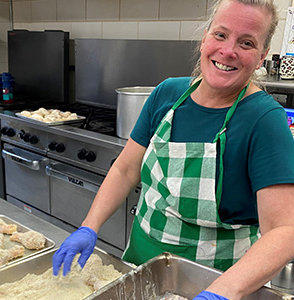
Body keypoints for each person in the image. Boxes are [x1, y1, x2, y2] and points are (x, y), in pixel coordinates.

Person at [53, 0, 294, 299]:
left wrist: (218, 293)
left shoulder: (264, 120)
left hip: (215, 281)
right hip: (141, 266)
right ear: (205, 37)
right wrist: (89, 226)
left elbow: (284, 231)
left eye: (246, 42)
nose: (228, 50)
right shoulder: (167, 94)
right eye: (220, 35)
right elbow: (126, 169)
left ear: (261, 57)